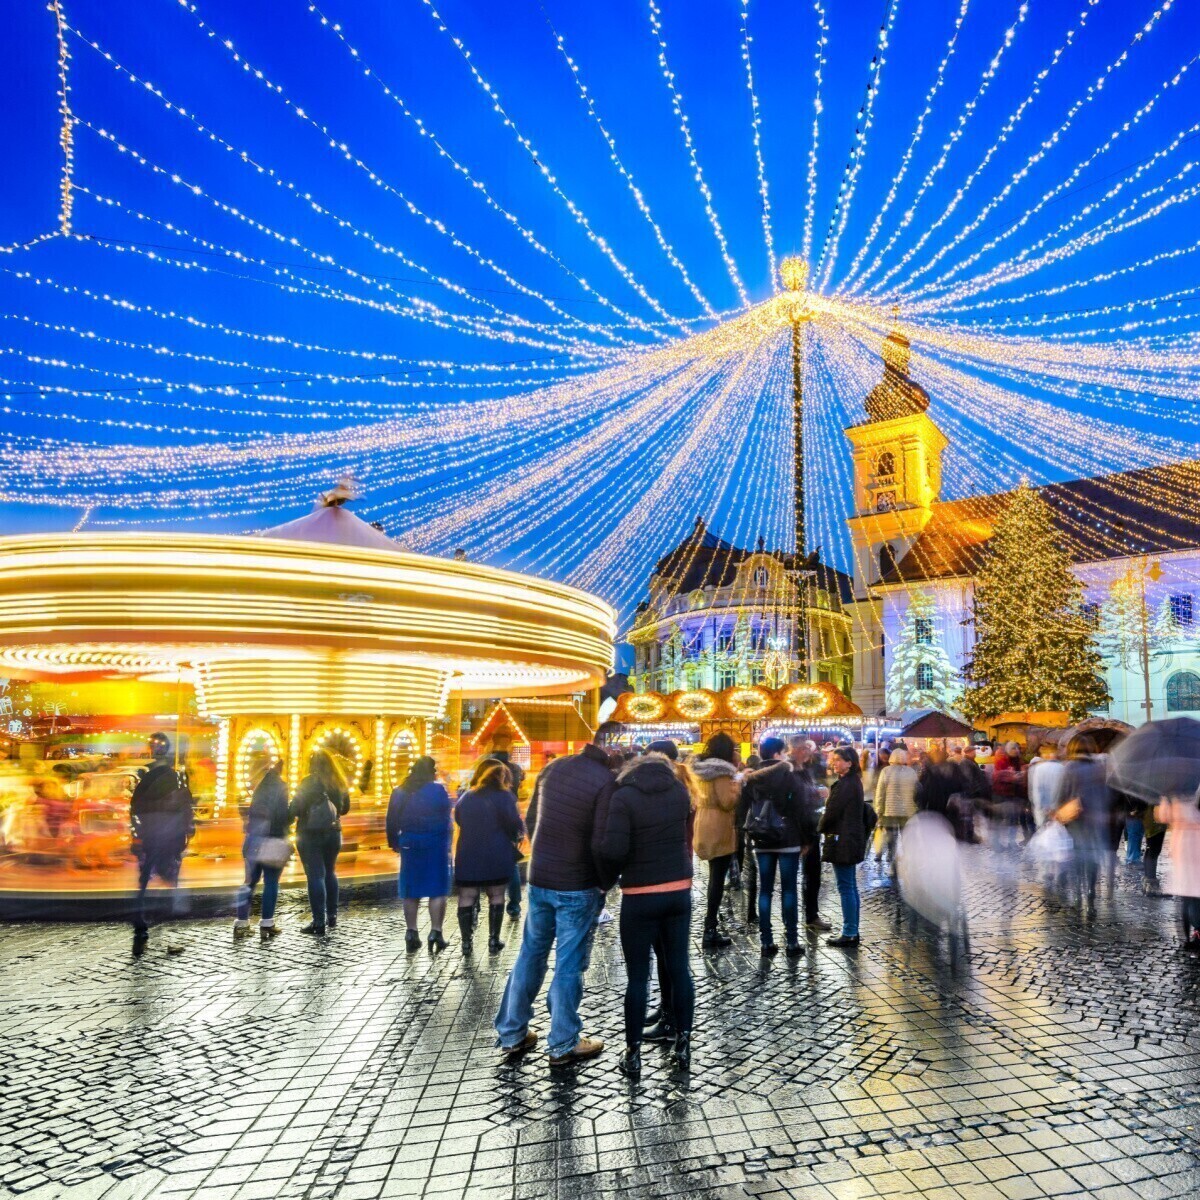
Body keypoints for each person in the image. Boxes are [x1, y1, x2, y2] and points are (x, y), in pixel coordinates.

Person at [494, 727, 616, 1066]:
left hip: (541, 876)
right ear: (614, 749)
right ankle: (563, 1042)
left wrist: (542, 853)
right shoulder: (606, 781)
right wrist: (605, 882)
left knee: (530, 953)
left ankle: (512, 1031)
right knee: (569, 962)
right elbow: (601, 840)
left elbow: (531, 818)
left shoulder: (554, 768)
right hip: (578, 882)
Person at [596, 743, 695, 1080]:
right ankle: (684, 1045)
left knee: (638, 976)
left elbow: (614, 849)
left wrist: (603, 870)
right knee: (679, 969)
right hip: (678, 890)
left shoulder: (623, 797)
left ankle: (633, 1053)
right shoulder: (680, 793)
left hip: (640, 894)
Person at [742, 737, 817, 957]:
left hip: (762, 838)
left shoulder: (752, 777)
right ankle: (792, 941)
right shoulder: (788, 775)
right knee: (788, 890)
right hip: (788, 838)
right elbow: (801, 808)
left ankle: (766, 942)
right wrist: (806, 839)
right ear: (777, 754)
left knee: (765, 890)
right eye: (783, 752)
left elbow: (743, 808)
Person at [129, 732, 194, 955]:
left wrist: (137, 836)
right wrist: (187, 833)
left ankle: (141, 928)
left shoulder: (144, 780)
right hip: (169, 838)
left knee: (146, 882)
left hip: (149, 838)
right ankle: (161, 930)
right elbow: (186, 809)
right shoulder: (177, 778)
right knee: (168, 883)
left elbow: (135, 811)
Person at [454, 758, 523, 955]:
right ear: (502, 776)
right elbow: (514, 825)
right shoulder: (505, 797)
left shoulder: (467, 797)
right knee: (497, 895)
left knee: (466, 896)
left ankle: (466, 943)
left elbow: (459, 819)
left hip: (468, 853)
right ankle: (493, 940)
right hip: (496, 852)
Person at [387, 755, 453, 951]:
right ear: (430, 772)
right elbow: (446, 816)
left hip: (409, 843)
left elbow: (391, 821)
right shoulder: (438, 790)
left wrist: (394, 843)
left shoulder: (399, 792)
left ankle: (411, 932)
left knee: (410, 888)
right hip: (436, 844)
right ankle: (436, 931)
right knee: (437, 888)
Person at [288, 749, 350, 938]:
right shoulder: (338, 782)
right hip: (333, 833)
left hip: (310, 833)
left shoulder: (308, 782)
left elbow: (294, 809)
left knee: (315, 876)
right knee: (330, 872)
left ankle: (318, 921)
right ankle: (332, 916)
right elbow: (345, 808)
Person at [233, 751, 289, 942]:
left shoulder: (259, 788)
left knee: (249, 882)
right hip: (273, 838)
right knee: (271, 882)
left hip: (254, 838)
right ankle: (267, 922)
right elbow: (282, 815)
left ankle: (241, 921)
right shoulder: (281, 787)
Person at [1052, 736, 1110, 918]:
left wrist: (1058, 811)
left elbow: (1060, 795)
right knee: (1092, 858)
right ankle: (1091, 894)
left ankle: (1077, 894)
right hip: (1096, 819)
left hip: (1076, 820)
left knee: (1077, 856)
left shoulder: (1069, 768)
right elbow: (1107, 794)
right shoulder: (1099, 768)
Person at [692, 732, 740, 950]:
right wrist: (737, 785)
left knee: (716, 876)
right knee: (717, 879)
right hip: (718, 825)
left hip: (703, 821)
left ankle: (710, 926)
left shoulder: (702, 771)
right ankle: (709, 929)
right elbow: (727, 802)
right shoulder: (721, 773)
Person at [820, 747, 869, 947]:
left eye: (839, 759)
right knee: (850, 886)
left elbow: (831, 812)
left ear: (850, 762)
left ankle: (849, 932)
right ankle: (852, 930)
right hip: (851, 838)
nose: (835, 762)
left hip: (844, 840)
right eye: (834, 759)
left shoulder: (845, 784)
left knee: (846, 887)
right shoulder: (853, 782)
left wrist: (820, 826)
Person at [788, 736, 831, 931]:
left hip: (810, 827)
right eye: (805, 748)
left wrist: (817, 793)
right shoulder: (788, 770)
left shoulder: (806, 769)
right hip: (795, 830)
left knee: (813, 874)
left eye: (809, 748)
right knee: (791, 877)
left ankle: (811, 915)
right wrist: (814, 794)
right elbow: (792, 800)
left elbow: (805, 795)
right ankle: (792, 922)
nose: (809, 752)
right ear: (795, 749)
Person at [483, 735, 527, 919]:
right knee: (512, 864)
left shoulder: (485, 767)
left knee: (486, 862)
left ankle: (489, 898)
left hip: (487, 819)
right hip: (509, 815)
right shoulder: (515, 769)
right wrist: (520, 831)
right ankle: (514, 904)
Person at [1157, 789, 1200, 950]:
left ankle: (1186, 938)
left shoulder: (1172, 791)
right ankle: (1198, 932)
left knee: (1186, 894)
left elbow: (1163, 816)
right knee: (1196, 892)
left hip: (1182, 845)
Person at [874, 747, 918, 868]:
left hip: (890, 812)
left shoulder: (886, 771)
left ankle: (891, 857)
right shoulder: (911, 772)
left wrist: (878, 810)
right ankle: (907, 857)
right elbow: (916, 792)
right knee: (906, 836)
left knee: (891, 837)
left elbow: (880, 793)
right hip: (907, 811)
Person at [1027, 740, 1065, 828]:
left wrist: (1039, 806)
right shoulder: (1062, 767)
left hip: (1043, 810)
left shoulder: (1039, 768)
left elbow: (1037, 790)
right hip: (1058, 809)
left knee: (1043, 835)